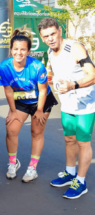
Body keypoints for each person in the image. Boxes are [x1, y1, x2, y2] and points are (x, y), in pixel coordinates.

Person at [39, 17, 95, 199]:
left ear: (60, 31)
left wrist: (73, 85)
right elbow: (54, 69)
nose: (50, 39)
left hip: (85, 104)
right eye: (46, 36)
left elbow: (93, 74)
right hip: (67, 103)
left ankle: (81, 181)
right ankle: (70, 173)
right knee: (69, 140)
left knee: (82, 142)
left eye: (53, 34)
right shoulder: (49, 51)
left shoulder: (74, 48)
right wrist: (50, 77)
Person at [0, 26, 58, 182]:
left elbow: (43, 91)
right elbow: (9, 91)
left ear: (29, 51)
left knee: (36, 132)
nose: (19, 53)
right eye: (16, 49)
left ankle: (32, 168)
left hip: (41, 100)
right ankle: (13, 163)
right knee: (11, 129)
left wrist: (39, 110)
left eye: (23, 50)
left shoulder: (37, 66)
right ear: (11, 50)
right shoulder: (4, 67)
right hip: (21, 101)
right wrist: (12, 110)